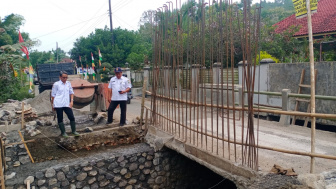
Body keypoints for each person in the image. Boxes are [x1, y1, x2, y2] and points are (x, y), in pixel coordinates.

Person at [51, 71, 79, 137]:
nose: (65, 79)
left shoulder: (68, 84)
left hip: (66, 104)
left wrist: (71, 101)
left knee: (71, 117)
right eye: (63, 77)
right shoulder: (56, 84)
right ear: (60, 77)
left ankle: (74, 131)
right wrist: (53, 105)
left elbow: (71, 93)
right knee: (60, 118)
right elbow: (53, 95)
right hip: (58, 104)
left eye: (66, 77)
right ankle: (63, 132)